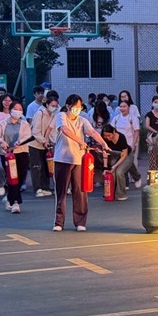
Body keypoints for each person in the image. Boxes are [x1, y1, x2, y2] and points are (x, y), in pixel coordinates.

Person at [51, 94, 111, 231]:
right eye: (75, 107)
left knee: (80, 191)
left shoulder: (83, 120)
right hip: (62, 158)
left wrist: (103, 144)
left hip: (78, 160)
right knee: (61, 192)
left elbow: (92, 132)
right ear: (68, 106)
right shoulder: (61, 116)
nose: (78, 109)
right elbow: (65, 130)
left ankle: (80, 222)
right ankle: (58, 222)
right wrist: (80, 141)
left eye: (80, 107)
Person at [0, 101, 34, 212]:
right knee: (12, 178)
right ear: (11, 110)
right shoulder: (3, 123)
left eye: (20, 109)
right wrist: (2, 142)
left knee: (20, 177)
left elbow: (28, 136)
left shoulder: (24, 124)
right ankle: (15, 203)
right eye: (16, 109)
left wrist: (20, 142)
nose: (18, 111)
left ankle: (9, 198)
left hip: (21, 153)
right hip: (8, 154)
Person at [29, 88, 59, 197]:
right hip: (35, 145)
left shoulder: (53, 115)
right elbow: (35, 131)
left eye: (56, 106)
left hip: (45, 145)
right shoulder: (40, 113)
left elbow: (52, 131)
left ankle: (45, 187)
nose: (54, 107)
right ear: (47, 104)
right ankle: (37, 188)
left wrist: (52, 142)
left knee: (46, 166)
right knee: (36, 167)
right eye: (52, 105)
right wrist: (44, 141)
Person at [99, 123, 135, 201]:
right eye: (105, 136)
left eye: (109, 135)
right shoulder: (104, 139)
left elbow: (124, 154)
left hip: (127, 155)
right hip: (115, 155)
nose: (107, 138)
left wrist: (114, 166)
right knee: (110, 172)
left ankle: (121, 194)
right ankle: (111, 193)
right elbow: (105, 153)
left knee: (119, 172)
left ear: (114, 132)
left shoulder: (121, 137)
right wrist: (105, 168)